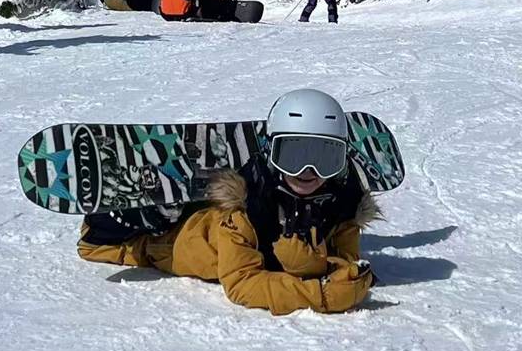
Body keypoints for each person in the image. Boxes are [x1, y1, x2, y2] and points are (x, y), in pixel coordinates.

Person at [77, 89, 379, 315]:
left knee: (198, 213)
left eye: (325, 159)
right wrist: (319, 295)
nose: (308, 172)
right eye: (293, 156)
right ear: (272, 154)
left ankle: (173, 207)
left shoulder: (341, 207)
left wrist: (322, 268)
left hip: (210, 224)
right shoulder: (244, 209)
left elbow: (345, 263)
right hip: (174, 242)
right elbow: (242, 284)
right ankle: (150, 213)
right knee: (104, 246)